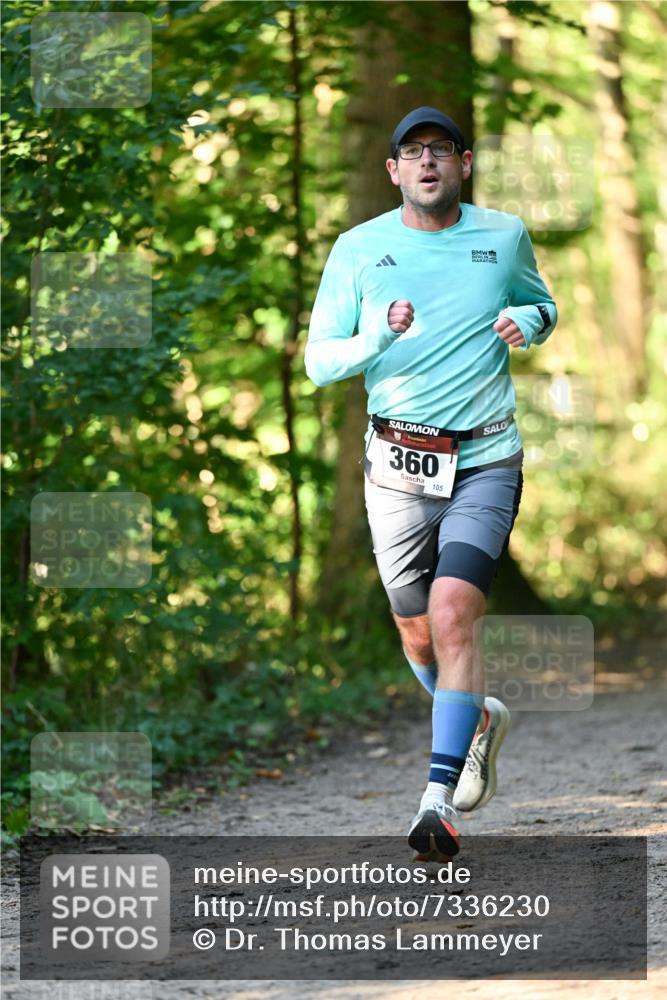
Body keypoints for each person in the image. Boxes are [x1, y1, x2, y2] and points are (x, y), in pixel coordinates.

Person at [305, 107, 557, 861]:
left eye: (439, 152)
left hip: (484, 457)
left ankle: (436, 800)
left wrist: (529, 322)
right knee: (416, 630)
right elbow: (320, 362)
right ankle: (476, 717)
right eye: (411, 154)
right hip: (396, 467)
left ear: (463, 163)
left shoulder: (502, 235)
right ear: (392, 172)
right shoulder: (357, 249)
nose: (425, 164)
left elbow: (542, 303)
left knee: (453, 617)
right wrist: (376, 336)